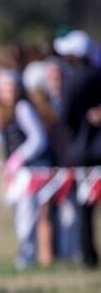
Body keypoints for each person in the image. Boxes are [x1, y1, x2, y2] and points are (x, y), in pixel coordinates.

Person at [0, 69, 50, 269]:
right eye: (4, 88)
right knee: (20, 214)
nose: (8, 92)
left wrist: (19, 157)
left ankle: (27, 256)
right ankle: (25, 254)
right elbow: (5, 142)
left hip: (31, 170)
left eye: (12, 88)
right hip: (18, 172)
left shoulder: (23, 109)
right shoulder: (4, 112)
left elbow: (39, 139)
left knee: (27, 214)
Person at [53, 30, 101, 268]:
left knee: (85, 207)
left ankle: (89, 255)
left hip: (83, 152)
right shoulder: (98, 75)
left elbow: (66, 117)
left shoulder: (74, 80)